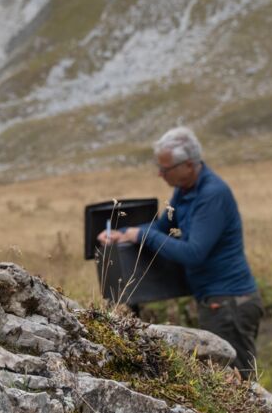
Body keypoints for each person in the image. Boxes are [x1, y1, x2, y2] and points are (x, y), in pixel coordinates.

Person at [97, 126, 263, 377]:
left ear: (188, 165)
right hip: (215, 300)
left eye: (165, 169)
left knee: (237, 379)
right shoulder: (185, 191)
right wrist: (124, 233)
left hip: (229, 304)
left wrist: (142, 235)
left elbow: (194, 253)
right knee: (224, 378)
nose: (160, 174)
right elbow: (163, 227)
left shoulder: (212, 195)